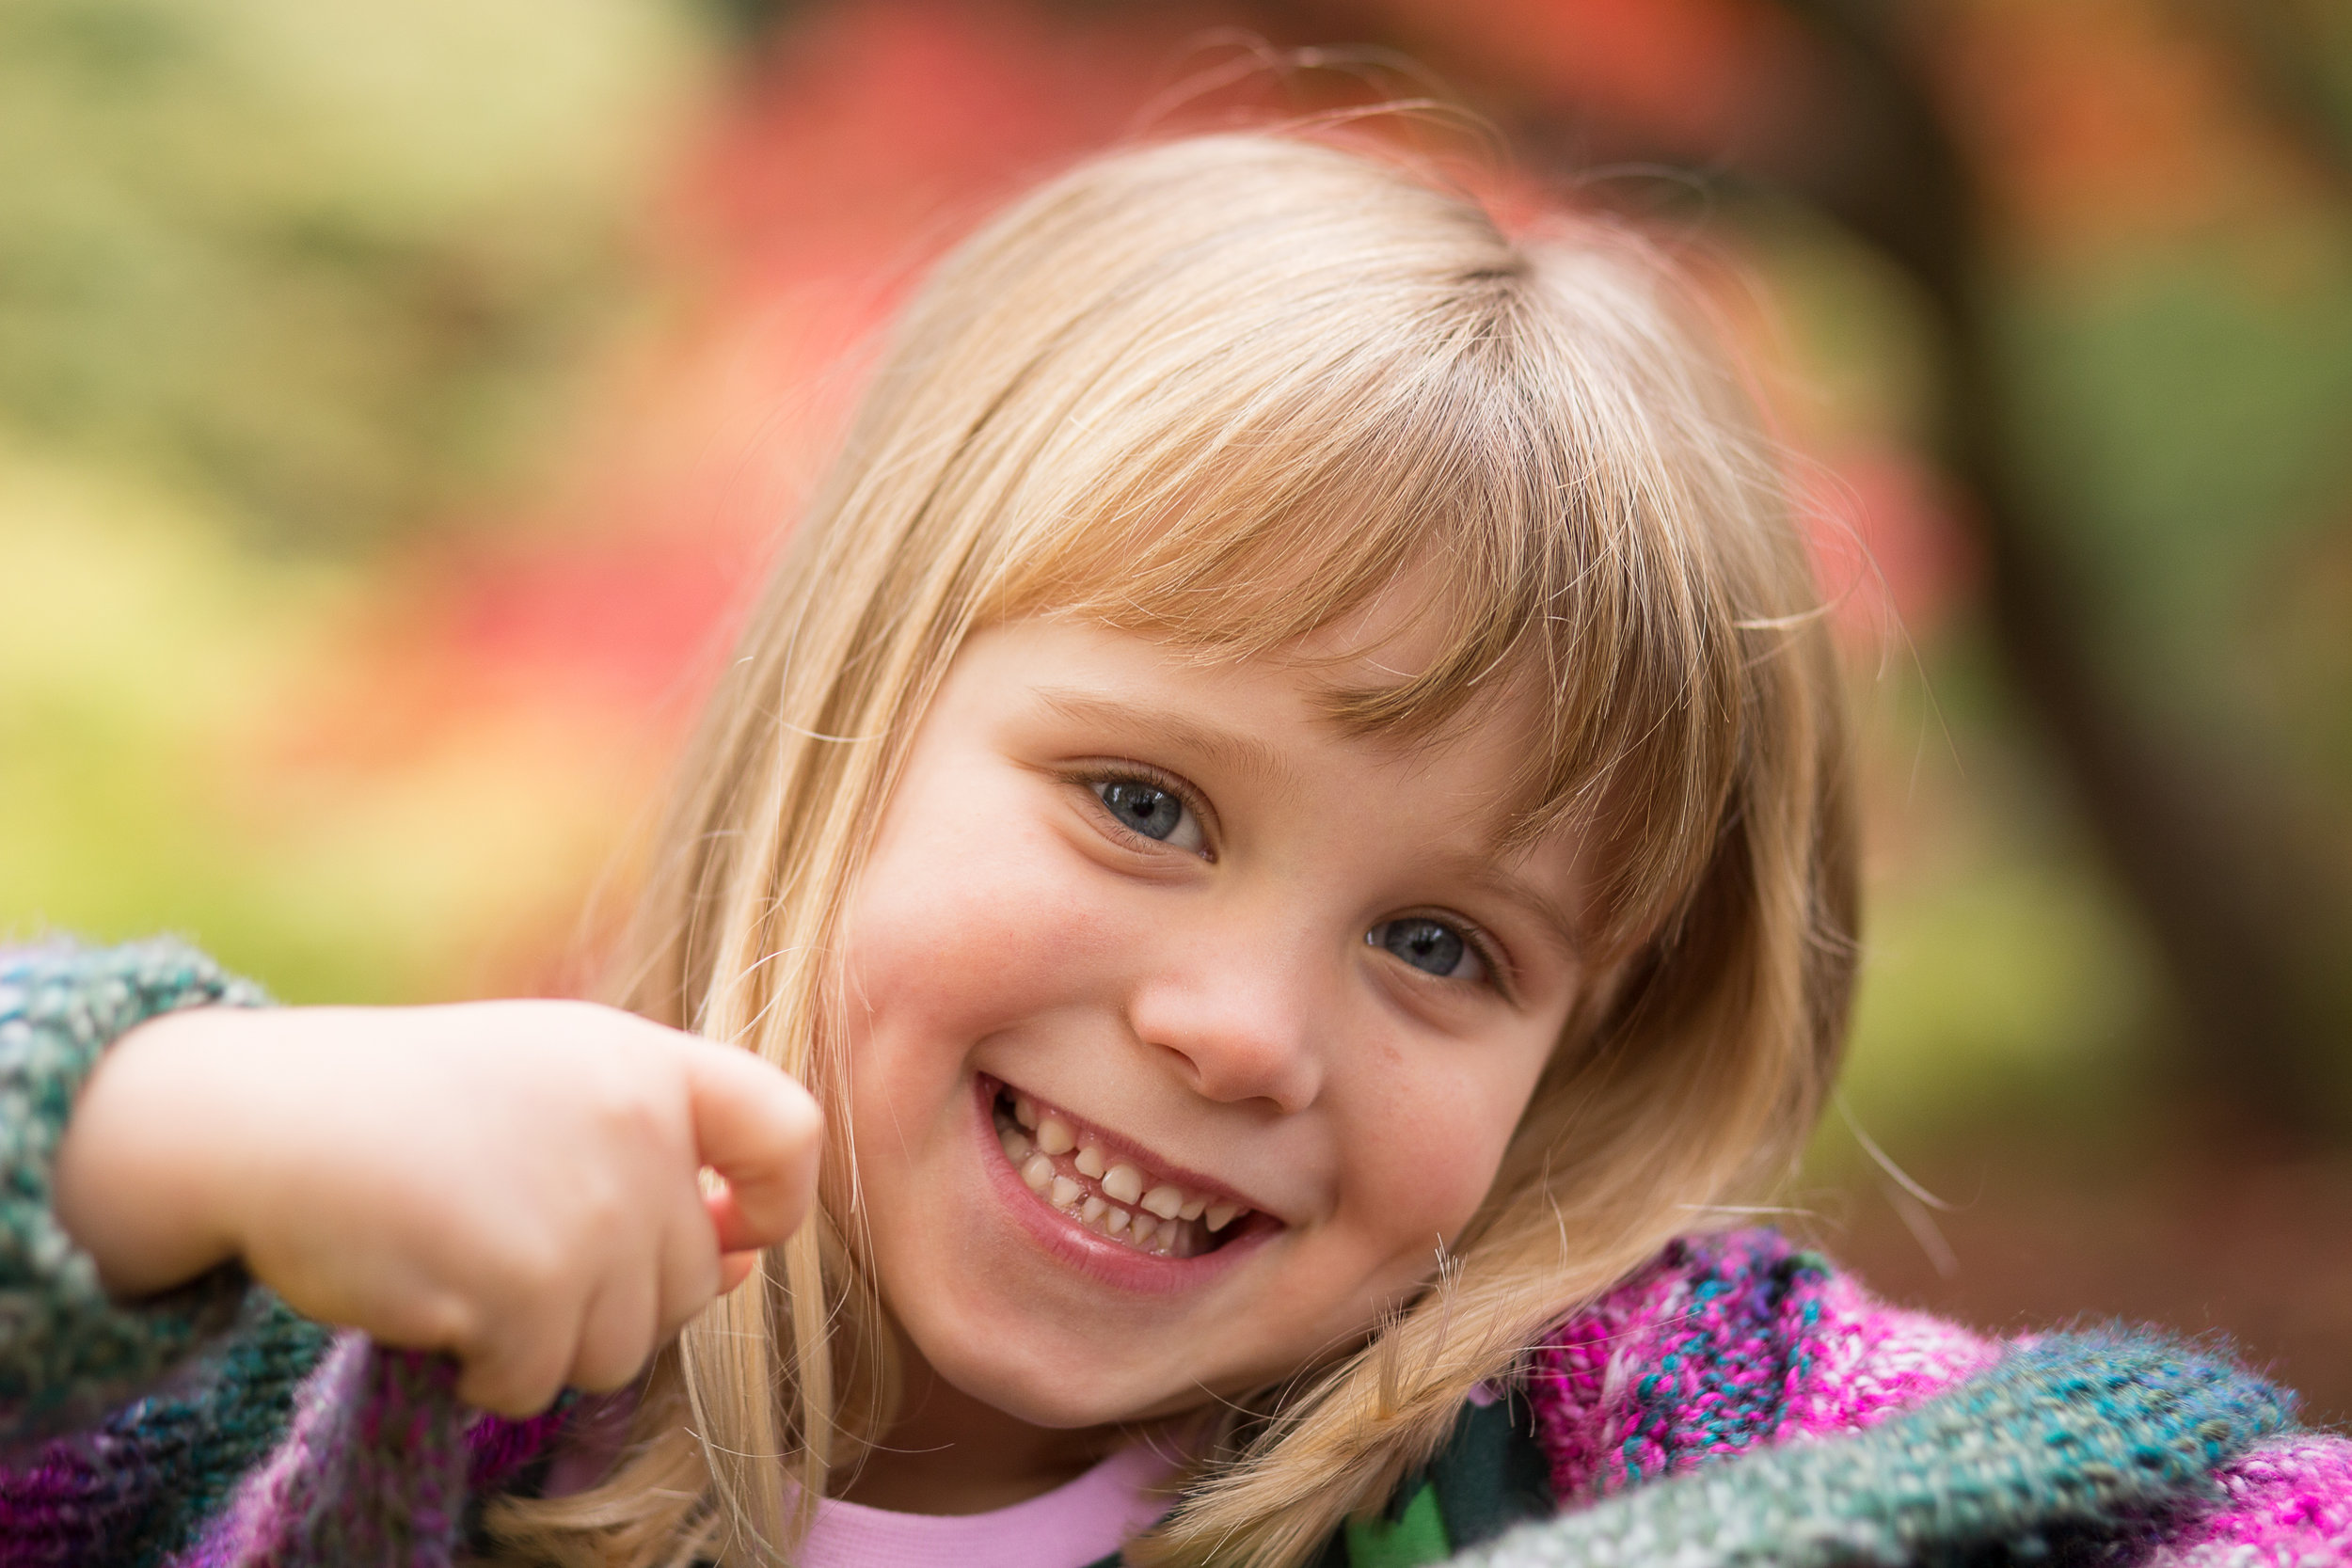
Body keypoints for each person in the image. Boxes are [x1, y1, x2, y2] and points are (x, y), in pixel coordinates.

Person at [4, 131, 2344, 1568]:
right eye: (1144, 806)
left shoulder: (1626, 1432)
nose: (1233, 1028)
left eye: (1441, 945)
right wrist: (156, 1122)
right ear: (852, 712)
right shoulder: (368, 1330)